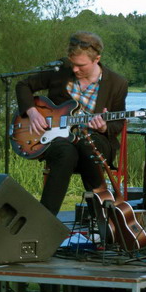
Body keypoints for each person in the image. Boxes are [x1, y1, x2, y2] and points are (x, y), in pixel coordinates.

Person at [16, 31, 128, 215]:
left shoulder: (117, 83)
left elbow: (118, 123)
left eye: (80, 65)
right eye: (72, 63)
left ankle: (99, 220)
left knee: (87, 145)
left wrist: (104, 126)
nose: (75, 69)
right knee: (65, 152)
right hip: (58, 140)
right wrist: (32, 111)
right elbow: (23, 85)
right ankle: (45, 222)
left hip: (96, 140)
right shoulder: (60, 71)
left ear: (96, 59)